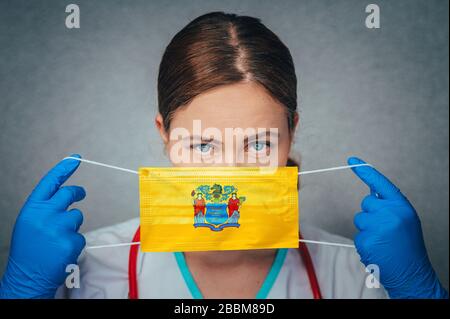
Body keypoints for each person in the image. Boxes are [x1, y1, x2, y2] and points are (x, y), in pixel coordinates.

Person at [0, 11, 447, 299]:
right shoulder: (84, 269)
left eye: (258, 144)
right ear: (165, 135)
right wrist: (22, 293)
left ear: (292, 132)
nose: (230, 170)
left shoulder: (356, 274)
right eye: (202, 143)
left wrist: (418, 292)